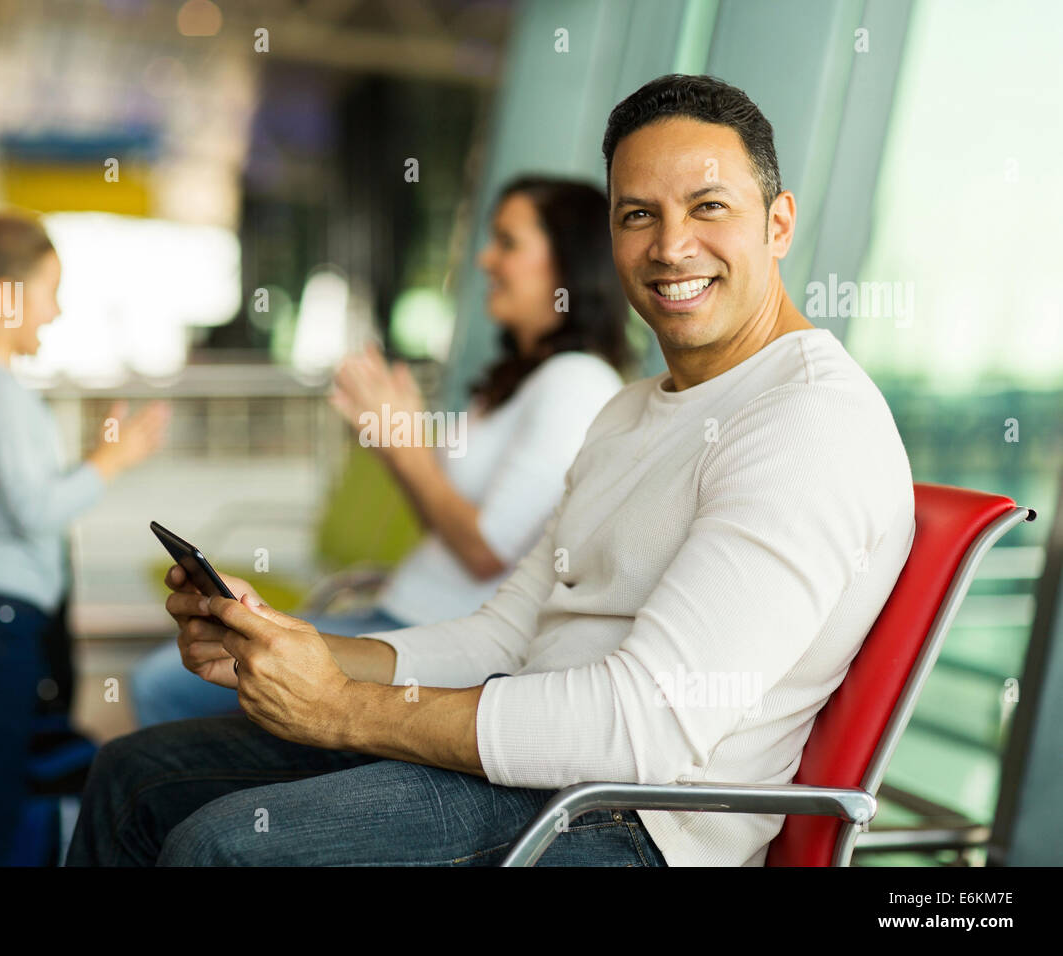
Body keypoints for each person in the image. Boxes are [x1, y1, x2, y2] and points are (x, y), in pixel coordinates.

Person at [67, 74, 915, 868]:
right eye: (636, 215)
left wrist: (339, 708)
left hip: (630, 821)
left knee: (226, 845)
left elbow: (640, 727)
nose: (670, 246)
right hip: (532, 760)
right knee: (136, 775)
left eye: (708, 207)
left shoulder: (808, 422)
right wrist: (303, 649)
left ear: (778, 222)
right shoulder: (628, 411)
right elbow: (503, 637)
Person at [128, 175, 633, 727]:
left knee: (162, 686)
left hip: (435, 639)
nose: (486, 259)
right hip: (398, 613)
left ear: (569, 262)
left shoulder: (577, 381)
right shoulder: (522, 384)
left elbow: (486, 549)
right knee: (177, 677)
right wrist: (402, 446)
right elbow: (448, 525)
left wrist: (405, 446)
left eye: (508, 242)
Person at [0, 214, 171, 865]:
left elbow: (25, 493)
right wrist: (113, 460)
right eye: (50, 289)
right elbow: (35, 510)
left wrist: (96, 456)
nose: (57, 308)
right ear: (6, 297)